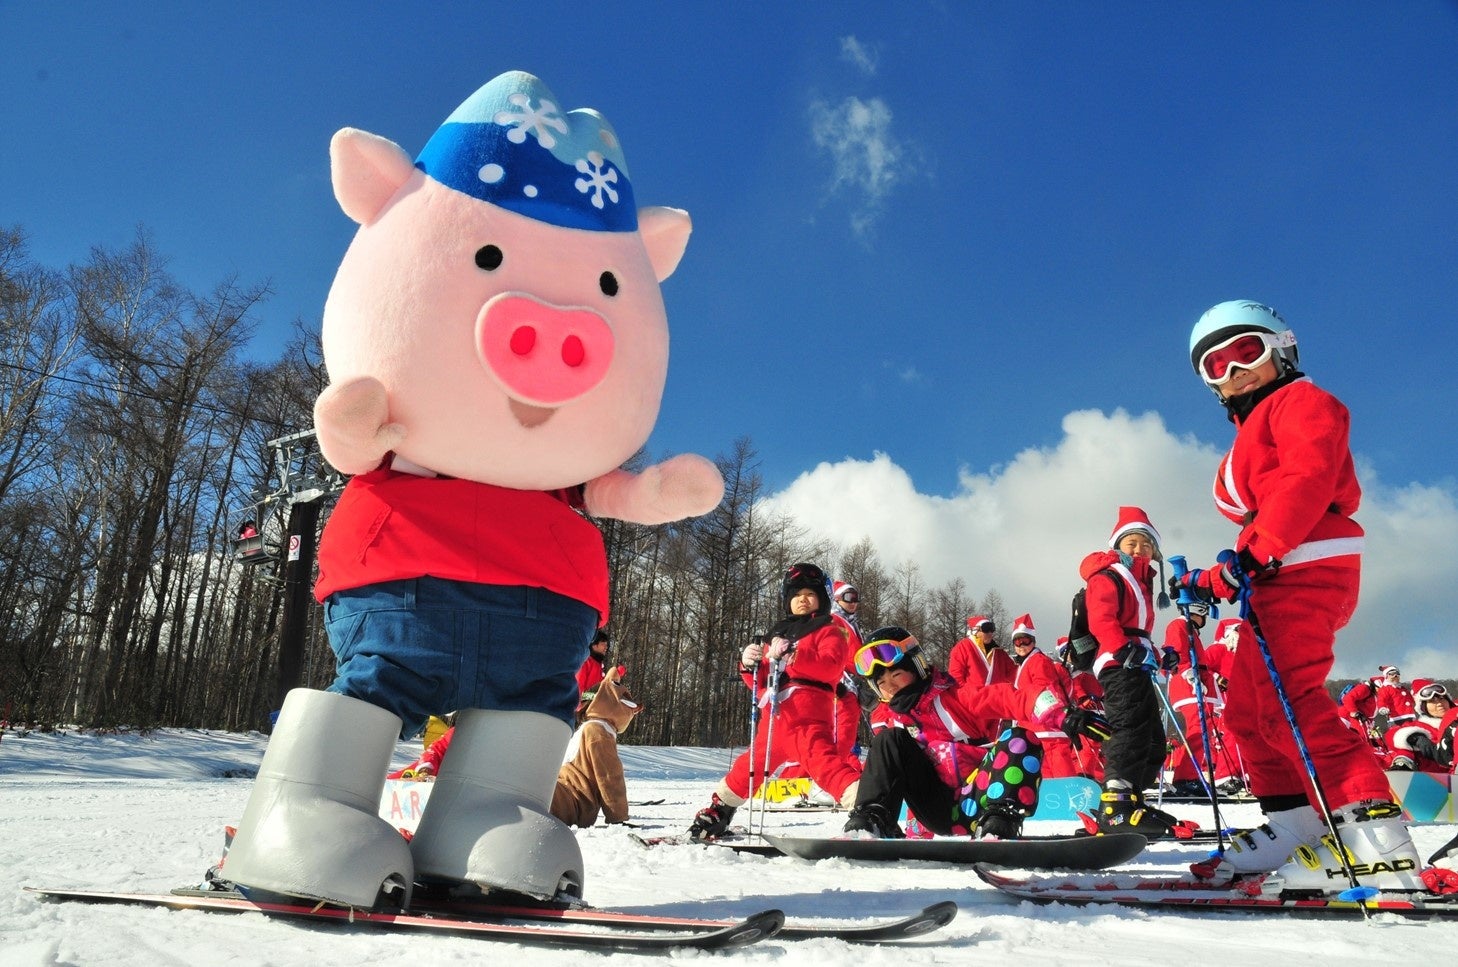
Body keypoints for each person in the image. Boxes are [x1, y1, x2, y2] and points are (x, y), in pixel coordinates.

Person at [1172, 299, 1423, 892]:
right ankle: (1296, 823)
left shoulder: (1303, 402)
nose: (1236, 371)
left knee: (1290, 699)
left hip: (1307, 560)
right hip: (1276, 567)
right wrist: (1216, 577)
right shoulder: (1254, 429)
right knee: (1247, 712)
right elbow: (1259, 527)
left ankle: (1376, 835)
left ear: (1282, 349)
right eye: (1217, 365)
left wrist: (1260, 550)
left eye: (1247, 352)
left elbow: (1306, 478)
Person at [842, 626, 1111, 840]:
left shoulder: (956, 697)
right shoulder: (894, 722)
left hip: (979, 797)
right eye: (882, 682)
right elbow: (894, 773)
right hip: (936, 808)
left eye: (896, 675)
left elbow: (1013, 698)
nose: (890, 686)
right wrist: (915, 834)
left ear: (917, 667)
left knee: (1020, 737)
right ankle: (871, 821)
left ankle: (1000, 822)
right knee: (887, 740)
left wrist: (1062, 714)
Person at [687, 563, 863, 839]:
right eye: (797, 595)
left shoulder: (829, 629)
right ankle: (720, 810)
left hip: (808, 718)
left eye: (810, 594)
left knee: (826, 766)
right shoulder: (778, 634)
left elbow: (831, 666)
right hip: (775, 721)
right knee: (749, 766)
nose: (803, 599)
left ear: (823, 598)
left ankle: (867, 809)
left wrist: (795, 656)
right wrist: (749, 665)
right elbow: (761, 685)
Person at [1082, 506, 1183, 837]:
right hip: (1118, 662)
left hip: (1137, 659)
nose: (1140, 549)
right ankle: (1116, 804)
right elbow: (1101, 618)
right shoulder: (1109, 575)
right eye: (1132, 543)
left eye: (1146, 544)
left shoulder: (1141, 582)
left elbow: (1140, 633)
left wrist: (1161, 656)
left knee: (1152, 738)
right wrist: (1121, 647)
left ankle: (1132, 799)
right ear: (1118, 545)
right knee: (1130, 728)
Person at [1009, 615, 1101, 779]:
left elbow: (1044, 690)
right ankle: (1053, 790)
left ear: (1033, 641)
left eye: (1026, 640)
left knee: (1058, 762)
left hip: (1046, 724)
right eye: (1017, 642)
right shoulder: (1027, 663)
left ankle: (1070, 787)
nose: (1022, 645)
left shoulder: (1038, 661)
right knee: (1045, 765)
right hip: (1035, 726)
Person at [1388, 679, 1456, 773]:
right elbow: (1391, 736)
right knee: (1406, 749)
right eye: (1432, 701)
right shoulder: (1420, 727)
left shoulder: (1455, 719)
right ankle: (1402, 768)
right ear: (1423, 707)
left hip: (1454, 768)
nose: (1439, 704)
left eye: (1442, 698)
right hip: (1432, 773)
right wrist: (1416, 738)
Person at [948, 616, 1017, 688]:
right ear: (975, 631)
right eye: (986, 629)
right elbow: (956, 677)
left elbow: (1014, 674)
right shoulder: (962, 648)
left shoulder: (999, 653)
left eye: (992, 629)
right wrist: (967, 693)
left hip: (997, 694)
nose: (990, 633)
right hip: (973, 694)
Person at [574, 629, 613, 720]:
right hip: (584, 706)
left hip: (595, 705)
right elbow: (579, 687)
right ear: (594, 645)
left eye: (606, 644)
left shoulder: (598, 665)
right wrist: (579, 705)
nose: (606, 647)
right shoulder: (586, 662)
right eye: (603, 644)